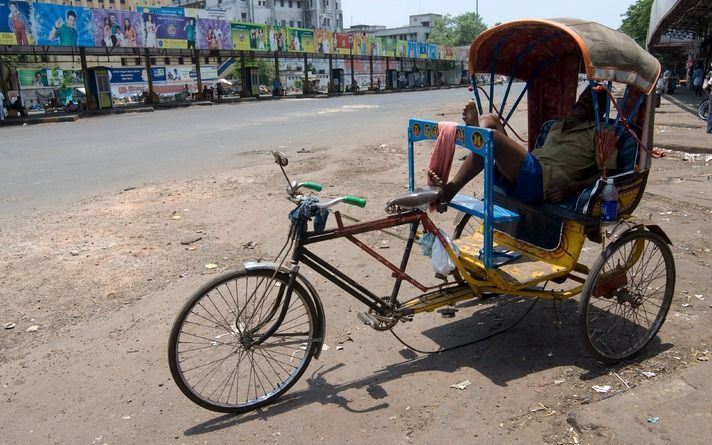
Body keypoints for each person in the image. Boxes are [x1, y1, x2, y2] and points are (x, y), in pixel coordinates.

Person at [441, 87, 611, 205]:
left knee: (493, 138)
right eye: (582, 98)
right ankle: (477, 133)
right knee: (490, 118)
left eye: (591, 101)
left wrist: (572, 188)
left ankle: (475, 139)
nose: (583, 102)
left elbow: (607, 174)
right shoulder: (557, 125)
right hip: (528, 167)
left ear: (601, 110)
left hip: (543, 181)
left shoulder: (601, 134)